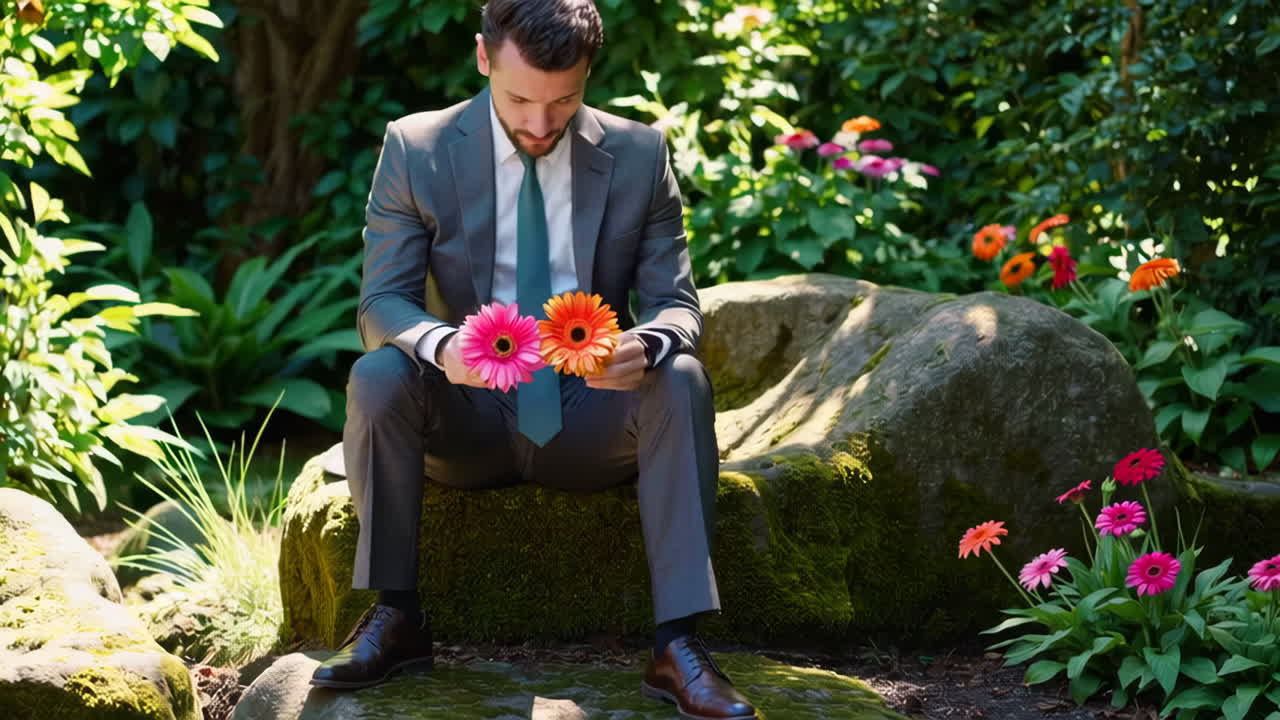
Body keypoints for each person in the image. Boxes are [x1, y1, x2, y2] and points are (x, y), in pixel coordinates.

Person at [309, 1, 757, 717]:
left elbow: (677, 306)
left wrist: (646, 344)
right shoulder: (417, 148)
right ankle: (396, 616)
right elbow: (381, 304)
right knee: (378, 374)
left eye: (565, 101)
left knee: (680, 376)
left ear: (588, 76)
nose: (542, 124)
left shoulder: (639, 155)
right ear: (483, 58)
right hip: (465, 414)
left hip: (590, 415)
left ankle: (678, 645)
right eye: (520, 100)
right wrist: (442, 347)